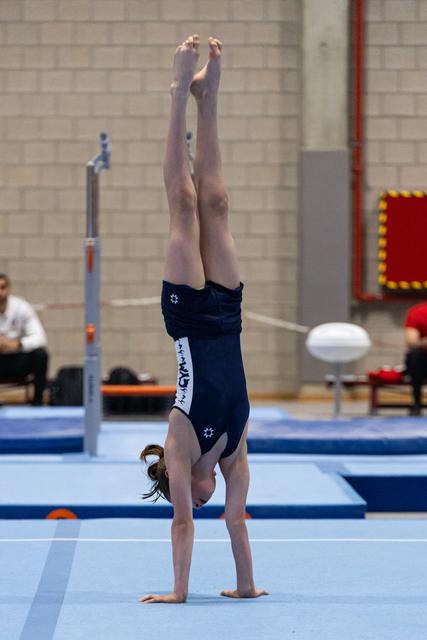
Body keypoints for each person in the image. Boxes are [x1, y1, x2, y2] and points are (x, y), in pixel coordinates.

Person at [139, 35, 268, 604]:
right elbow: (235, 521)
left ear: (182, 487)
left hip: (189, 315)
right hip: (229, 313)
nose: (210, 495)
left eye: (198, 494)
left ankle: (176, 94)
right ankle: (208, 94)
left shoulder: (179, 449)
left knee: (183, 204)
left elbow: (184, 525)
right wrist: (245, 587)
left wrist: (178, 593)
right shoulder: (235, 452)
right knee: (215, 201)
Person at [0, 273, 49, 405]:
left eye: (3, 287)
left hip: (18, 360)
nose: (0, 292)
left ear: (8, 289)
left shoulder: (21, 307)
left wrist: (18, 344)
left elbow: (40, 338)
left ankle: (37, 402)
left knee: (40, 354)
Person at [404, 301, 427, 416]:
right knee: (416, 354)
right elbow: (412, 341)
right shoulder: (418, 312)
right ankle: (416, 402)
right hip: (423, 360)